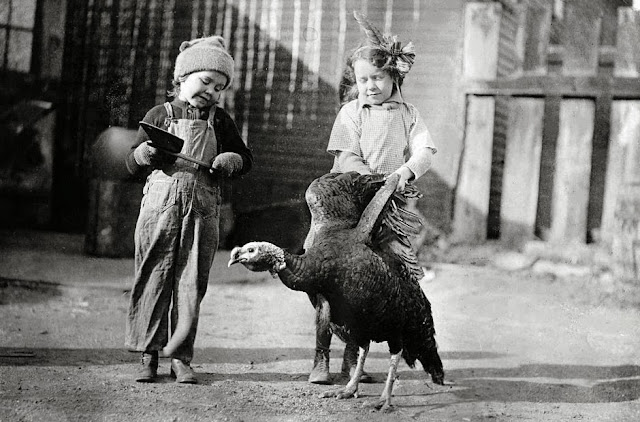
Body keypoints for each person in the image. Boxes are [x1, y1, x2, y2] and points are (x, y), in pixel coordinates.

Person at [307, 12, 437, 385]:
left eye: (377, 78)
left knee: (375, 280)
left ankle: (353, 362)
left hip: (388, 208)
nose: (370, 86)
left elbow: (424, 151)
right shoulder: (351, 113)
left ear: (394, 77)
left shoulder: (409, 115)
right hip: (346, 206)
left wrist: (403, 173)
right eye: (363, 80)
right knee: (327, 274)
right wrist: (375, 181)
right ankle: (321, 358)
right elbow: (346, 157)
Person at [124, 35, 253, 384]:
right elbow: (130, 163)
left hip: (201, 211)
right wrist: (144, 154)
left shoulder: (221, 121)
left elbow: (246, 159)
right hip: (160, 211)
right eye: (206, 80)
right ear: (182, 77)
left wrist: (232, 160)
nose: (211, 91)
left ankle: (181, 358)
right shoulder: (159, 115)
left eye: (219, 87)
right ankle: (149, 354)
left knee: (191, 283)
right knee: (154, 276)